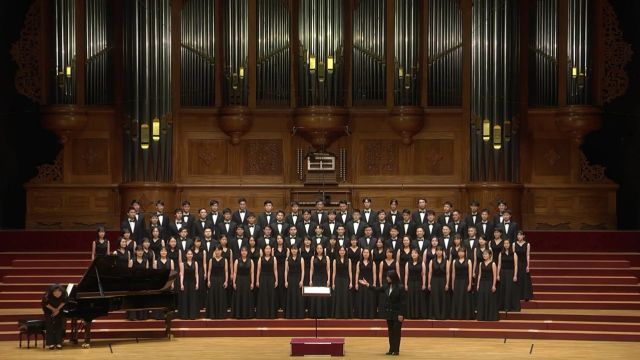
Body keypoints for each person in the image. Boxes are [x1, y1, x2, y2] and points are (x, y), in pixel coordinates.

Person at [366, 271, 406, 356]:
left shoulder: (400, 287)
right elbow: (377, 289)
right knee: (390, 332)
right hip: (389, 313)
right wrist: (367, 285)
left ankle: (396, 350)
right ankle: (391, 349)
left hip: (397, 313)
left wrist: (401, 314)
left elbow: (403, 302)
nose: (387, 278)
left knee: (396, 332)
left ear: (393, 277)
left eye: (388, 277)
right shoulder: (386, 286)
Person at [497, 239, 521, 312]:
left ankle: (509, 306)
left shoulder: (514, 254)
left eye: (507, 243)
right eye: (505, 243)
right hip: (503, 273)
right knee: (503, 289)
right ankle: (502, 306)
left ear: (509, 244)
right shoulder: (501, 253)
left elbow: (516, 265)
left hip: (511, 273)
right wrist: (498, 274)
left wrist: (515, 275)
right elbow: (499, 265)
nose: (506, 245)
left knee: (509, 289)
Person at [450, 247, 474, 320]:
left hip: (465, 281)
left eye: (462, 252)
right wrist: (453, 284)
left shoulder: (469, 261)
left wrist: (470, 284)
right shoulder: (454, 261)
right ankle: (457, 315)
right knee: (457, 298)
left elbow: (470, 274)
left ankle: (466, 315)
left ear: (465, 253)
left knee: (465, 298)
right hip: (457, 281)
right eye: (459, 252)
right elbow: (453, 274)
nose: (461, 253)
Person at [42, 284, 67, 350]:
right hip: (48, 309)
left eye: (59, 292)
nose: (57, 293)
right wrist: (53, 310)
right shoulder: (47, 295)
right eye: (55, 292)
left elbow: (64, 302)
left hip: (59, 309)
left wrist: (57, 310)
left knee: (59, 324)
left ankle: (59, 343)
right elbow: (45, 304)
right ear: (52, 292)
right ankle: (51, 343)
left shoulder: (64, 293)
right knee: (49, 324)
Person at [427, 246, 449, 320]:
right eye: (437, 250)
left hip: (443, 281)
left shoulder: (446, 261)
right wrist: (429, 283)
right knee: (435, 297)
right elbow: (430, 273)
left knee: (442, 297)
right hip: (434, 281)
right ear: (435, 252)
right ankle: (435, 315)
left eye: (440, 250)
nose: (439, 252)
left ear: (442, 252)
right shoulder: (431, 261)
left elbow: (447, 273)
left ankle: (442, 315)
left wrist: (447, 283)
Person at [128, 245, 150, 320]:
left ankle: (142, 316)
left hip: (143, 282)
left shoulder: (146, 261)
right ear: (136, 252)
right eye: (138, 251)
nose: (140, 252)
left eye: (141, 251)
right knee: (134, 300)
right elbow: (129, 273)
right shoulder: (132, 261)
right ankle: (133, 316)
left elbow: (147, 273)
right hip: (134, 283)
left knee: (142, 299)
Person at [309, 243, 331, 318]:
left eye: (320, 248)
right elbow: (311, 269)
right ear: (316, 249)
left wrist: (328, 279)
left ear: (323, 249)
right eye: (318, 248)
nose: (319, 250)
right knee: (315, 295)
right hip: (315, 278)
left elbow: (328, 269)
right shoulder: (313, 258)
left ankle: (323, 314)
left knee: (323, 296)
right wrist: (310, 280)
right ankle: (315, 314)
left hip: (324, 278)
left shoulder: (327, 258)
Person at [256, 244, 278, 319]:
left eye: (269, 249)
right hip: (262, 278)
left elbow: (275, 270)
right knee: (263, 295)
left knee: (271, 295)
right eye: (266, 249)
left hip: (271, 278)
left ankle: (271, 314)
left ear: (271, 250)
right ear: (264, 250)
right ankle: (263, 314)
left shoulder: (274, 258)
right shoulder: (260, 258)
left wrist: (276, 280)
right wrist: (257, 281)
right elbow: (258, 270)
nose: (267, 250)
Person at [207, 245, 228, 319]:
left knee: (221, 296)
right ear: (214, 251)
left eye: (219, 250)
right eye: (216, 250)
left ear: (221, 251)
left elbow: (226, 271)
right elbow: (209, 271)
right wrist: (208, 280)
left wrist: (226, 281)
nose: (217, 252)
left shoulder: (225, 260)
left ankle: (221, 314)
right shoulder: (211, 260)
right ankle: (213, 314)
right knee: (213, 296)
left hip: (221, 279)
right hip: (213, 279)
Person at [153, 246, 175, 319]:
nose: (163, 252)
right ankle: (159, 315)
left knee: (167, 299)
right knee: (159, 299)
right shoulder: (156, 261)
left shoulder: (171, 261)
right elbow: (154, 274)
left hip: (168, 282)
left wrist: (172, 283)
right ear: (160, 252)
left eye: (165, 251)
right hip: (159, 283)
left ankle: (168, 315)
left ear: (167, 252)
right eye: (162, 251)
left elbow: (172, 273)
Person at [355, 248, 377, 319]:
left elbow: (374, 274)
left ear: (369, 254)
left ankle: (369, 315)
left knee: (369, 298)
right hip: (361, 282)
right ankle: (361, 315)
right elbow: (357, 273)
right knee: (362, 298)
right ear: (362, 253)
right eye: (364, 252)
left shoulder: (372, 263)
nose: (366, 254)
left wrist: (374, 283)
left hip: (369, 282)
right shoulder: (359, 262)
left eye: (367, 252)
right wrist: (356, 283)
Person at [477, 249, 499, 321]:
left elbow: (495, 275)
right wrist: (478, 284)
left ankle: (490, 316)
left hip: (489, 283)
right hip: (482, 283)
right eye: (483, 254)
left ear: (490, 255)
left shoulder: (493, 263)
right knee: (482, 299)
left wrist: (494, 285)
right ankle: (482, 316)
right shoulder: (481, 264)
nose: (484, 255)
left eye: (486, 254)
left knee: (489, 299)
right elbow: (480, 275)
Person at [233, 246, 254, 319]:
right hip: (239, 280)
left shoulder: (251, 261)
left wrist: (252, 282)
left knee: (246, 296)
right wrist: (234, 282)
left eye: (245, 251)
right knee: (239, 296)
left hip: (247, 280)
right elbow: (235, 272)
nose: (244, 252)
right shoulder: (237, 261)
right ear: (240, 252)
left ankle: (247, 314)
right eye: (242, 251)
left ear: (247, 252)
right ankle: (239, 314)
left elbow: (252, 273)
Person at [405, 249, 426, 319]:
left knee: (418, 297)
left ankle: (418, 315)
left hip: (419, 283)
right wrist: (405, 284)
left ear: (418, 254)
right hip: (410, 282)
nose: (414, 254)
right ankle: (411, 315)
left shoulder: (422, 263)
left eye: (415, 253)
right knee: (411, 298)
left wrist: (424, 284)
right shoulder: (408, 263)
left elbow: (423, 274)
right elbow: (406, 275)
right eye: (412, 253)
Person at [285, 246, 305, 319]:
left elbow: (303, 271)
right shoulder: (287, 259)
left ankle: (299, 314)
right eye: (292, 249)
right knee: (291, 295)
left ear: (297, 250)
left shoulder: (301, 259)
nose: (294, 250)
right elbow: (286, 271)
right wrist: (286, 281)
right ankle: (291, 314)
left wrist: (302, 280)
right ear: (290, 250)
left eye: (295, 249)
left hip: (298, 278)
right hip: (290, 278)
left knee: (298, 296)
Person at [332, 246, 352, 318]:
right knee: (338, 297)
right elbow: (334, 272)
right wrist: (333, 283)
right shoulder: (335, 260)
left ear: (345, 252)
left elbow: (350, 272)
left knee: (345, 296)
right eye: (340, 250)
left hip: (346, 280)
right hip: (337, 280)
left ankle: (345, 314)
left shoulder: (348, 260)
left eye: (343, 250)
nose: (342, 252)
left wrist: (351, 282)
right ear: (338, 251)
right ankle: (337, 314)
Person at [179, 249, 199, 320]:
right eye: (188, 254)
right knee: (185, 298)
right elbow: (181, 275)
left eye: (191, 254)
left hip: (193, 282)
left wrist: (197, 283)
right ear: (186, 255)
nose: (190, 255)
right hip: (185, 282)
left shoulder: (195, 263)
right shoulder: (182, 264)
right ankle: (185, 315)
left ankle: (192, 315)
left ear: (192, 255)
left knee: (192, 298)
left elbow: (196, 274)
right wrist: (181, 284)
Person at [514, 231, 534, 301]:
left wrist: (528, 265)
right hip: (517, 263)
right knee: (518, 279)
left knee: (525, 279)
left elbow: (527, 255)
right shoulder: (514, 244)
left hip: (524, 263)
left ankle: (526, 296)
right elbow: (514, 255)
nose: (519, 236)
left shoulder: (527, 244)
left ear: (523, 236)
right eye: (518, 235)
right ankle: (518, 296)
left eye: (520, 235)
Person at [273, 235, 288, 311]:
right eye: (278, 238)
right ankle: (276, 305)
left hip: (284, 270)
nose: (279, 240)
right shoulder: (273, 249)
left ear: (283, 239)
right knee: (276, 287)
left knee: (283, 287)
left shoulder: (287, 250)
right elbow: (272, 261)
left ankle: (283, 305)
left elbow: (288, 261)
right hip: (275, 269)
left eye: (280, 238)